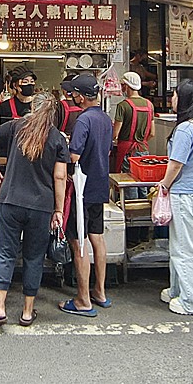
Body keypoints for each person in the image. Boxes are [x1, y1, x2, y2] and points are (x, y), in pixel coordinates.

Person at [0, 92, 69, 327]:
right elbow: (60, 177)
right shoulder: (58, 138)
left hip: (11, 201)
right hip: (41, 206)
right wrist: (58, 210)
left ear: (32, 106)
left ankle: (0, 309)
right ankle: (27, 312)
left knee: (4, 253)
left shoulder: (16, 126)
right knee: (34, 257)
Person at [57, 75, 114, 318]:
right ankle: (100, 292)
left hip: (81, 189)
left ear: (80, 96)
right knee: (97, 238)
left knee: (78, 241)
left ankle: (83, 300)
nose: (72, 97)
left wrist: (63, 147)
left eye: (73, 94)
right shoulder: (105, 118)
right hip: (100, 184)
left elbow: (74, 156)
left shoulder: (83, 120)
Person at [158, 80, 193, 316]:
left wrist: (164, 185)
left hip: (186, 195)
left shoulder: (184, 130)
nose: (172, 99)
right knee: (180, 245)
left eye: (175, 95)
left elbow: (176, 164)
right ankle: (178, 290)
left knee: (185, 249)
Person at [113, 71, 155, 173]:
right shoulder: (149, 105)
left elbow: (115, 134)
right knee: (142, 182)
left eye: (123, 85)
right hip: (143, 150)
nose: (122, 88)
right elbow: (152, 133)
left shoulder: (122, 106)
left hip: (127, 152)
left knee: (129, 183)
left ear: (127, 86)